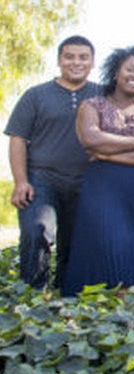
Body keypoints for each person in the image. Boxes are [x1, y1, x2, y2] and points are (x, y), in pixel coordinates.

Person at [61, 44, 134, 295]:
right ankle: (103, 314)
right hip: (104, 189)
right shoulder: (92, 106)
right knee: (112, 244)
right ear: (115, 73)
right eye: (130, 69)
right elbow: (91, 139)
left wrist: (107, 155)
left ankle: (127, 318)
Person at [5, 35, 99, 289]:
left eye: (83, 57)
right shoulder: (35, 96)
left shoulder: (102, 96)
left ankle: (68, 300)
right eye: (69, 57)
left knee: (76, 242)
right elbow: (18, 139)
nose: (76, 62)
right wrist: (21, 181)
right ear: (59, 60)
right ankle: (34, 296)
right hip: (41, 179)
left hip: (86, 181)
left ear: (92, 62)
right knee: (36, 230)